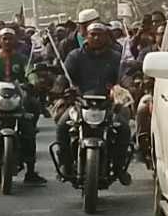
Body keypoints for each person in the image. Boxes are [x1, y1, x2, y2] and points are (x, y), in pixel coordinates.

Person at [55, 21, 130, 183]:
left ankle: (119, 167)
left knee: (124, 128)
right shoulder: (75, 56)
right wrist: (61, 89)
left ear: (107, 37)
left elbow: (124, 76)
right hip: (80, 103)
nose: (96, 38)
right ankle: (65, 164)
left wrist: (123, 88)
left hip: (107, 104)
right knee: (62, 126)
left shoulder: (116, 57)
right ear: (86, 36)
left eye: (100, 35)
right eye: (93, 35)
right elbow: (63, 77)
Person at [0, 28, 46, 186]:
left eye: (10, 38)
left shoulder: (22, 59)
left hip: (18, 99)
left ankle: (31, 171)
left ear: (15, 41)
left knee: (29, 126)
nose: (7, 41)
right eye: (4, 38)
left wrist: (33, 81)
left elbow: (30, 72)